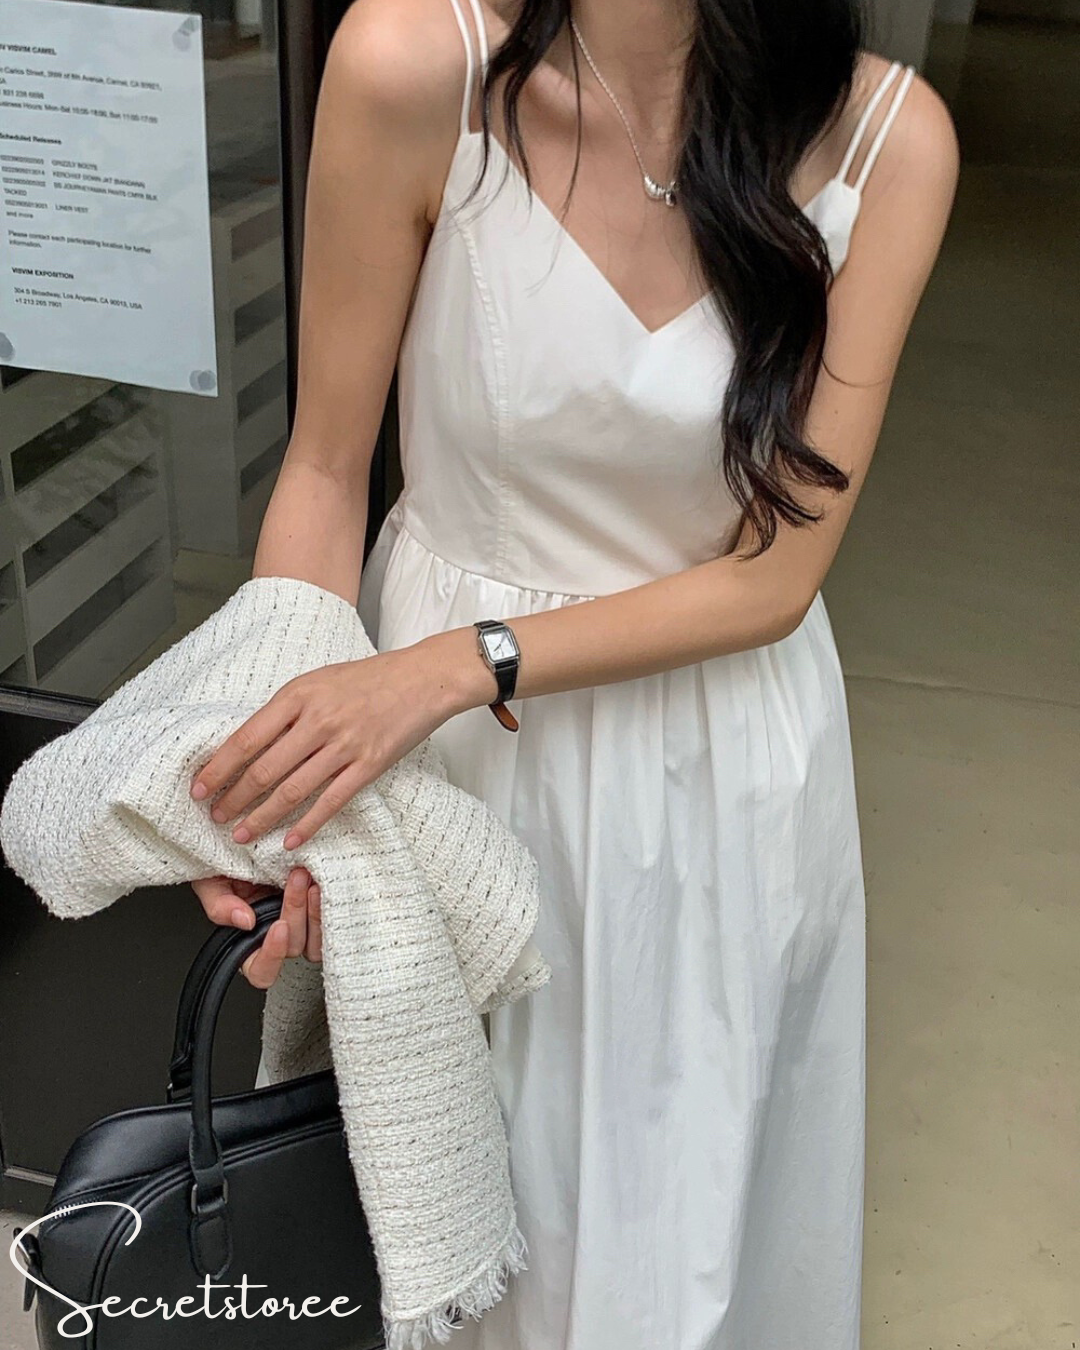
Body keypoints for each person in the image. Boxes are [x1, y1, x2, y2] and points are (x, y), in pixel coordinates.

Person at [189, 1, 959, 1345]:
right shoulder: (415, 62)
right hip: (450, 781)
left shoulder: (887, 142)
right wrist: (284, 787)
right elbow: (322, 466)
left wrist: (460, 664)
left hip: (711, 776)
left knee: (689, 1246)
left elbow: (774, 579)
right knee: (445, 1232)